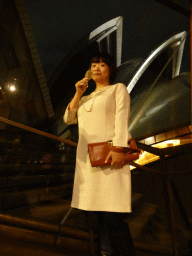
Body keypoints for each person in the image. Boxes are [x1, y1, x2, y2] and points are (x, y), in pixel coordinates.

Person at [64, 52, 135, 256]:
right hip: (88, 163)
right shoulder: (86, 97)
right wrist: (78, 93)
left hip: (109, 158)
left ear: (110, 69)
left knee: (113, 218)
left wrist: (118, 148)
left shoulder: (117, 89)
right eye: (94, 64)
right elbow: (68, 118)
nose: (97, 68)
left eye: (102, 65)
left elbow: (122, 117)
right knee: (96, 219)